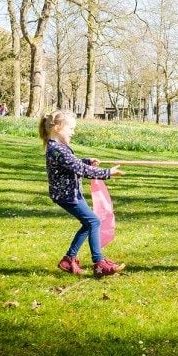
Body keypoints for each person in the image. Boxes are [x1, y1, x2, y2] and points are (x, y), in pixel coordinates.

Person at [42, 109, 123, 278]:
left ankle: (69, 259)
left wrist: (87, 161)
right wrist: (108, 173)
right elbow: (80, 169)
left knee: (89, 223)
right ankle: (99, 263)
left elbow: (75, 164)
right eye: (70, 128)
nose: (73, 132)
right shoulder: (57, 150)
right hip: (67, 196)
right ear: (57, 128)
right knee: (93, 222)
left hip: (71, 193)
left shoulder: (59, 148)